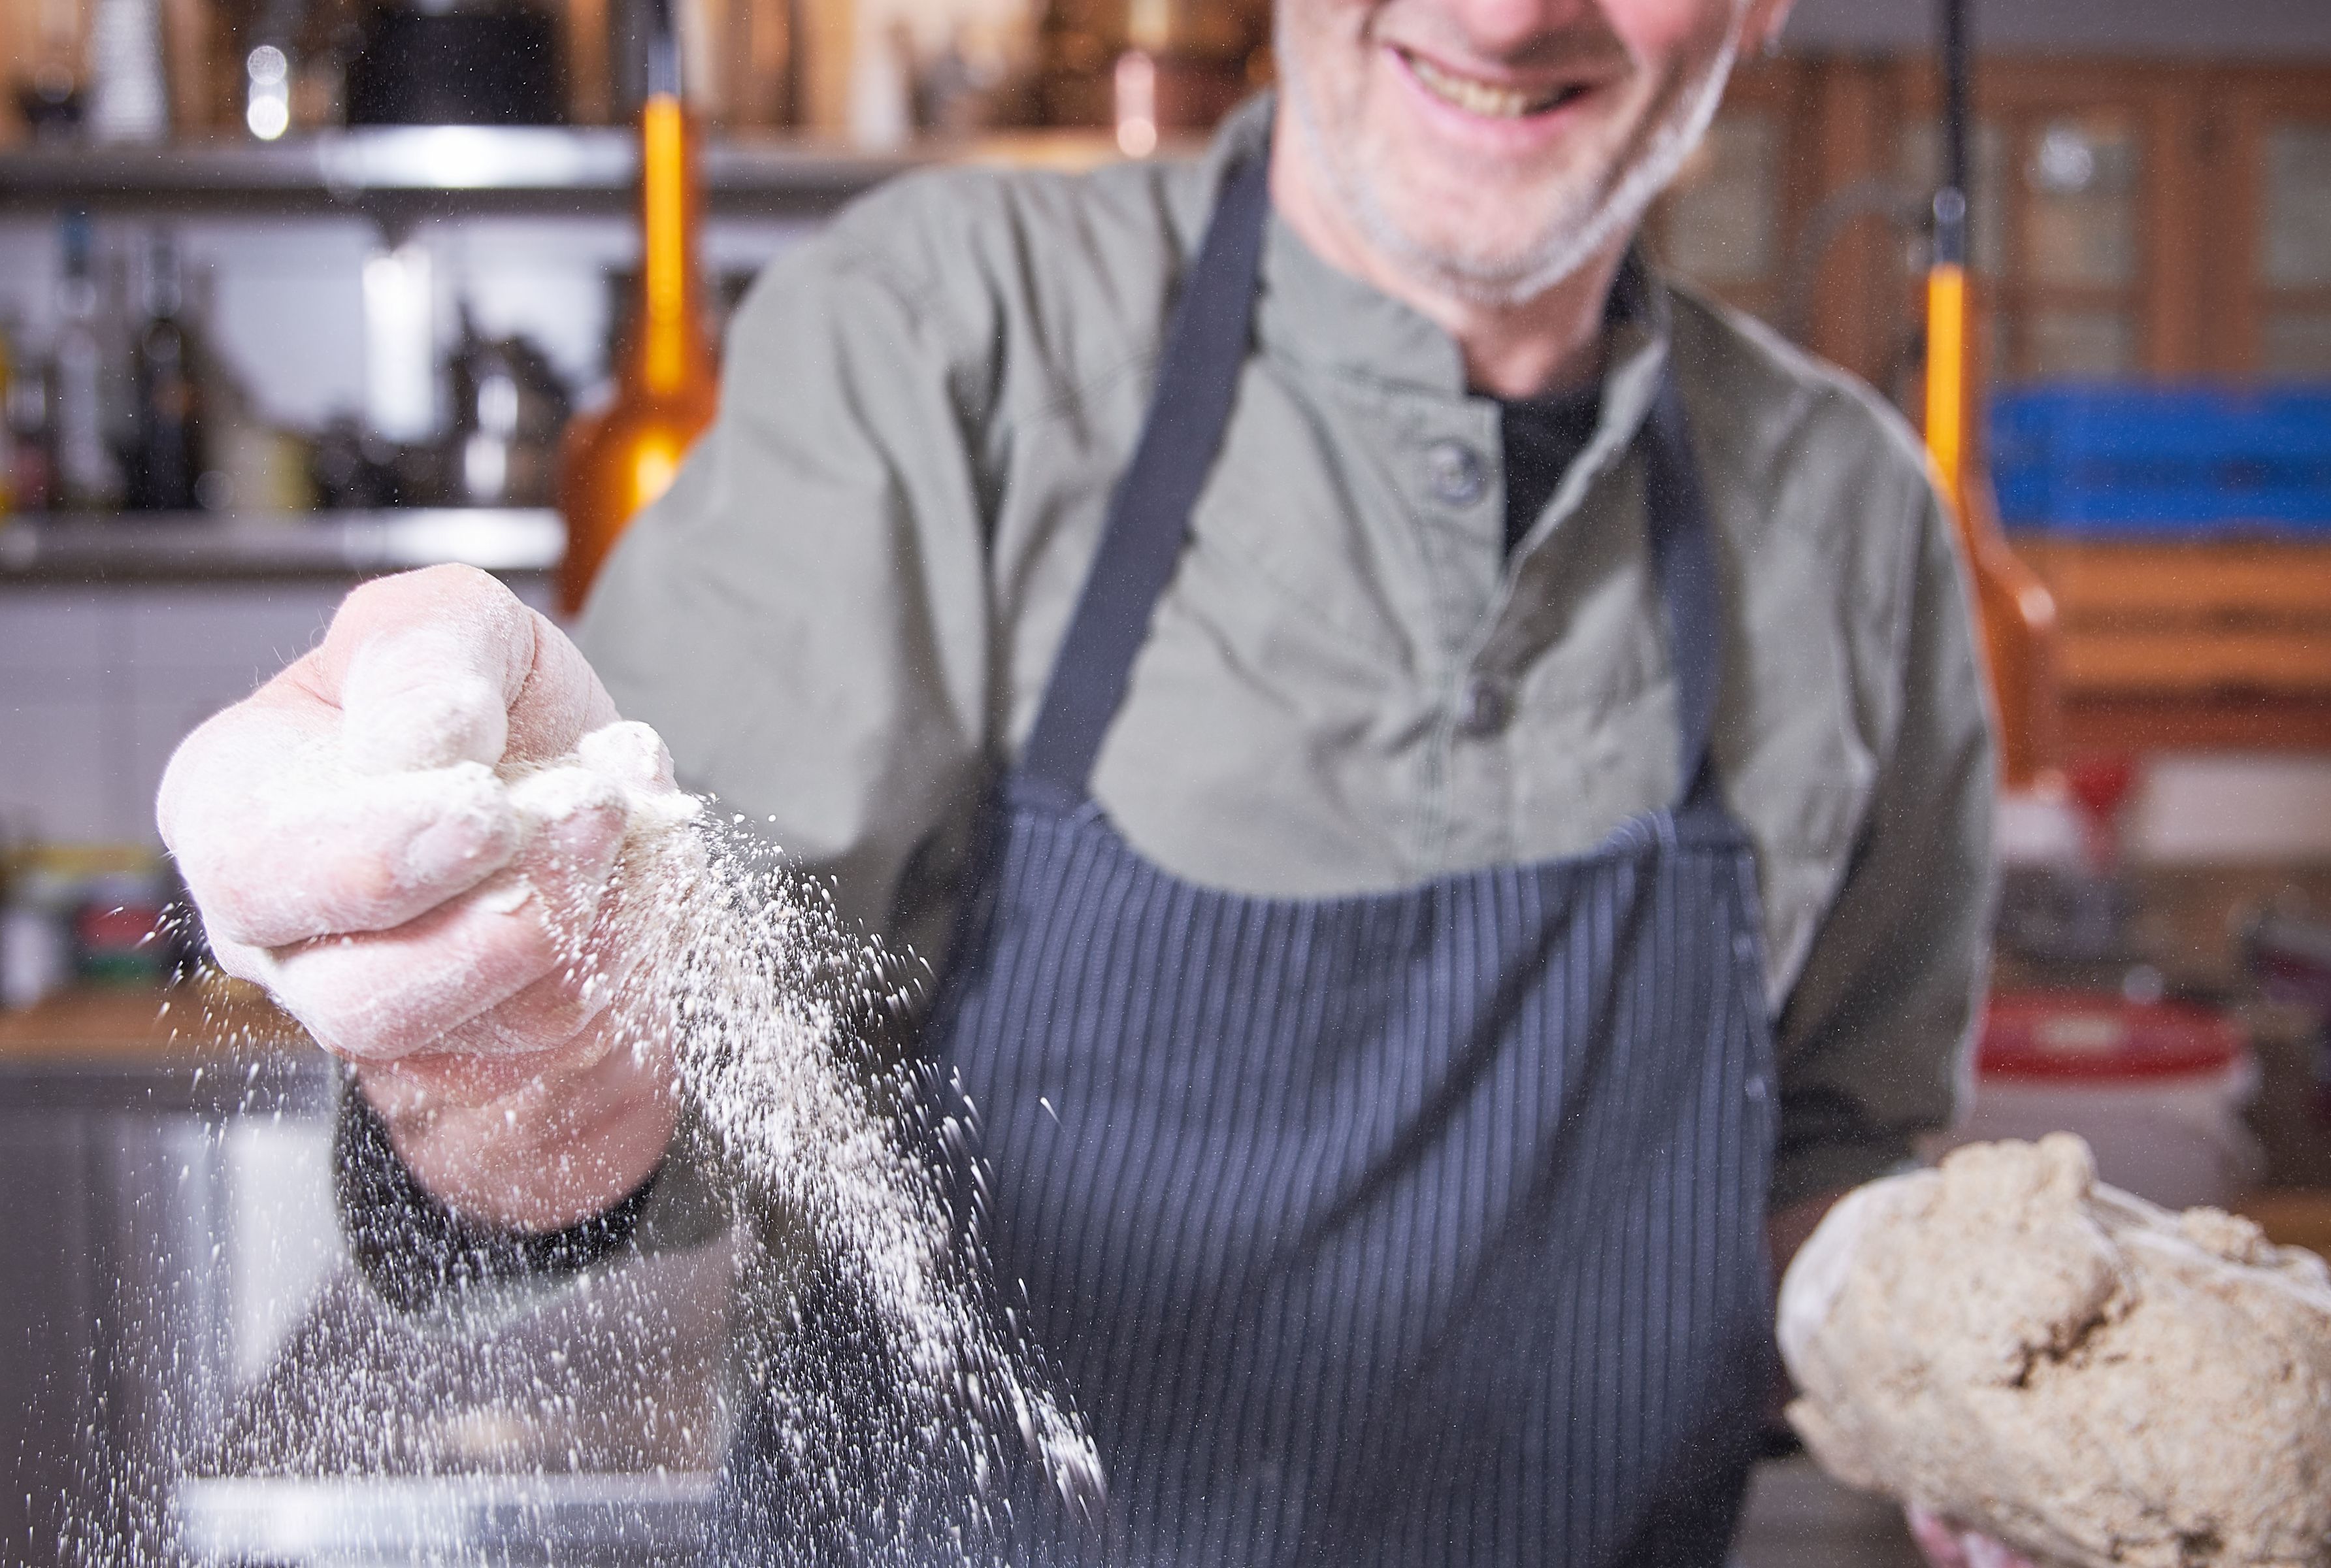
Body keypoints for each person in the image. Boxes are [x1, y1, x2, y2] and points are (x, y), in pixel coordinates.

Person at [158, 0, 2029, 1560]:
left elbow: (1828, 1164)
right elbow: (683, 978)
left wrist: (1981, 1376)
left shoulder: (1855, 518)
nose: (1508, 12)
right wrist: (522, 1030)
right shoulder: (952, 339)